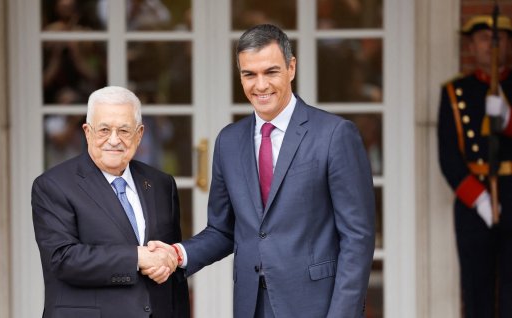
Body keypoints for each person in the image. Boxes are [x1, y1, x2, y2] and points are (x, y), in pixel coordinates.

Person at [147, 24, 375, 317]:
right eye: (249, 74)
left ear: (291, 68)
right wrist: (178, 254)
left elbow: (357, 237)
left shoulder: (334, 135)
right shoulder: (229, 141)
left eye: (271, 72)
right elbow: (222, 230)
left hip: (315, 305)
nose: (260, 85)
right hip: (250, 305)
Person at [31, 86, 190, 318]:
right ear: (87, 132)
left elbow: (172, 270)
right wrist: (137, 257)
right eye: (104, 129)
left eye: (124, 130)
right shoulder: (53, 185)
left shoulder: (161, 184)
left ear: (139, 134)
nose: (114, 140)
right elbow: (63, 259)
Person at [438, 15, 512, 317]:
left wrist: (508, 120)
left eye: (499, 39)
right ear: (471, 45)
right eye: (483, 39)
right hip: (474, 202)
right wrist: (479, 199)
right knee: (476, 289)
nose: (491, 46)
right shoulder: (456, 91)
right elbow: (448, 156)